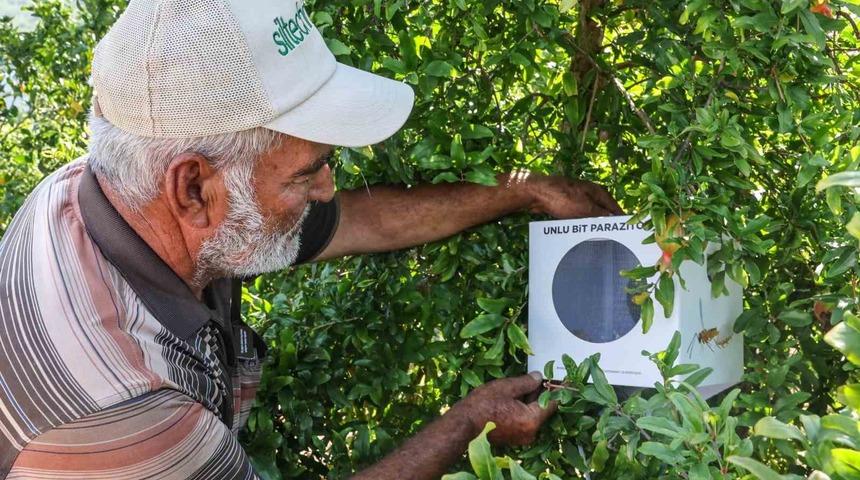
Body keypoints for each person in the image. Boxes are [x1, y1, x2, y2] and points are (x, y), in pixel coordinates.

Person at [0, 0, 623, 478]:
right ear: (193, 188)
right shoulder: (124, 404)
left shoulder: (112, 190)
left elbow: (355, 221)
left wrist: (523, 190)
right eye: (307, 171)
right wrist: (466, 425)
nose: (328, 188)